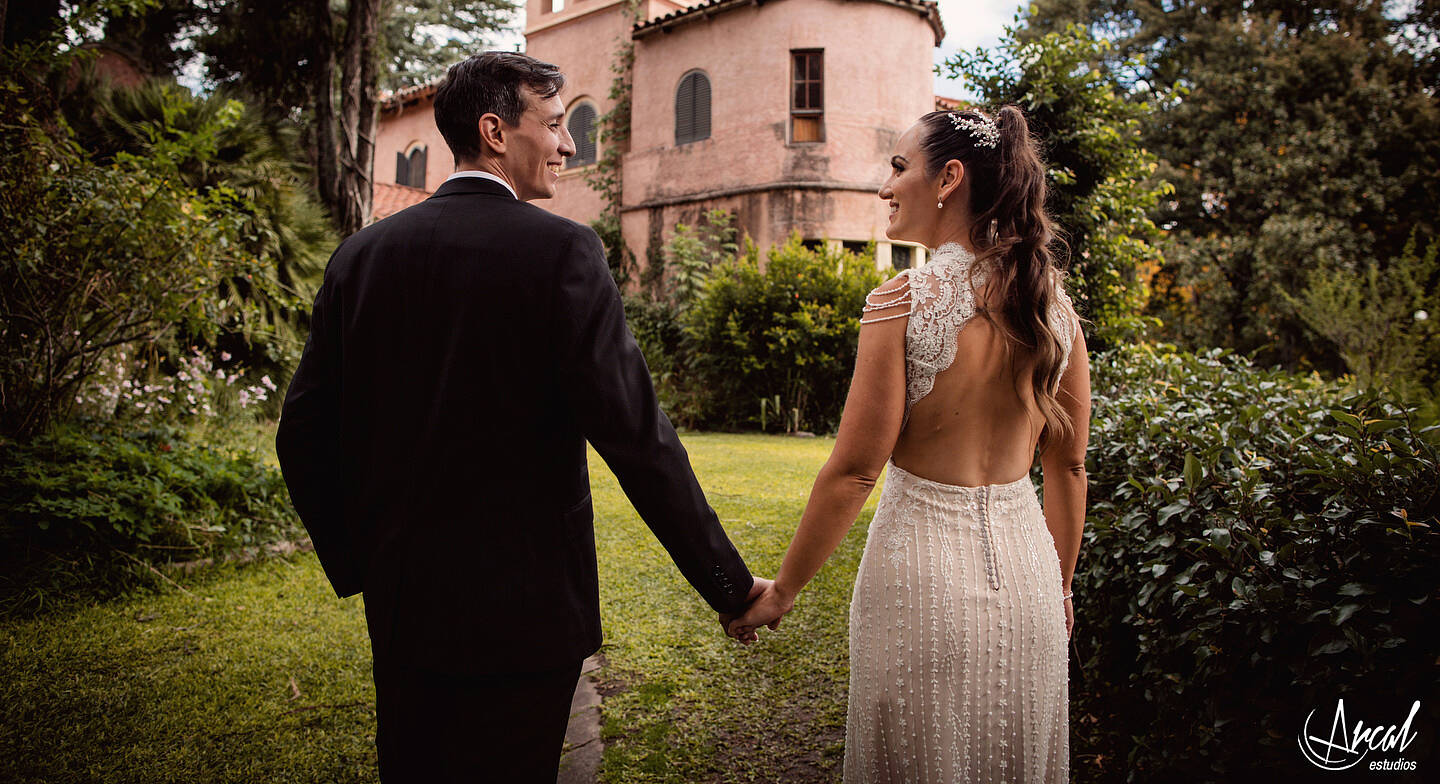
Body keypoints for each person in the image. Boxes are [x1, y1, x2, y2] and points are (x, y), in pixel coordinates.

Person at [277, 51, 764, 783]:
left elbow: (302, 432)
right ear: (495, 131)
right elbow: (636, 437)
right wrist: (728, 585)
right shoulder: (562, 250)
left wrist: (362, 563)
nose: (568, 145)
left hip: (404, 602)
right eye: (557, 125)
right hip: (528, 612)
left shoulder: (361, 255)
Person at [728, 106, 1090, 783]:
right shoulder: (1053, 309)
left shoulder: (900, 302)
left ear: (949, 178)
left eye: (898, 168)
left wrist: (783, 591)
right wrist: (1062, 587)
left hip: (921, 578)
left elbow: (855, 473)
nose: (884, 187)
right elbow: (1068, 464)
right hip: (1031, 583)